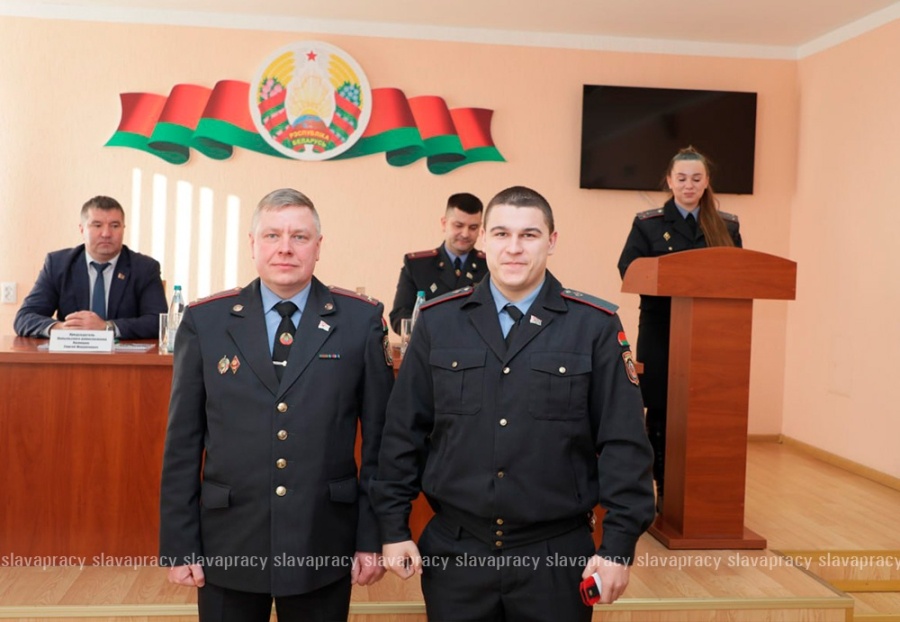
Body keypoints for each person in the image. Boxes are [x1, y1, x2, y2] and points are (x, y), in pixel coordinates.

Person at [373, 186, 655, 622]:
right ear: (483, 240)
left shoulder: (593, 326)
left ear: (552, 241)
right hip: (457, 550)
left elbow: (625, 443)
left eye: (530, 235)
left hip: (555, 556)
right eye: (502, 234)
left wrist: (618, 546)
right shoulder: (438, 321)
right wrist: (393, 527)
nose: (514, 248)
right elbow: (402, 432)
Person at [159, 188, 393, 622]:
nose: (285, 248)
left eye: (300, 237)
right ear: (252, 244)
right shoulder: (206, 322)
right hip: (229, 540)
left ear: (318, 247)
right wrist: (179, 542)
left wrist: (371, 537)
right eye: (272, 235)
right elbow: (183, 443)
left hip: (322, 538)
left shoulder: (360, 321)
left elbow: (381, 442)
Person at [617, 146, 743, 511]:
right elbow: (629, 269)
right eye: (682, 178)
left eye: (697, 179)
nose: (689, 185)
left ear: (706, 183)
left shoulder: (727, 225)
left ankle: (706, 492)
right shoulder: (648, 223)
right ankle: (662, 490)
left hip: (712, 333)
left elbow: (740, 277)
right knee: (660, 408)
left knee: (709, 409)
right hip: (661, 329)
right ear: (670, 181)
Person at [13, 195, 167, 339]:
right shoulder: (58, 264)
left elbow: (158, 322)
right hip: (71, 358)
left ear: (123, 229)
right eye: (97, 225)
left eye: (114, 226)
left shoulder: (145, 268)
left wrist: (107, 327)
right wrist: (61, 328)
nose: (106, 233)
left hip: (124, 361)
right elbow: (24, 317)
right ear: (82, 229)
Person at [388, 192, 488, 334]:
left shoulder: (490, 266)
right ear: (444, 223)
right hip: (430, 350)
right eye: (458, 225)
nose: (465, 234)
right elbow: (400, 316)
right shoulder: (417, 266)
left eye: (473, 227)